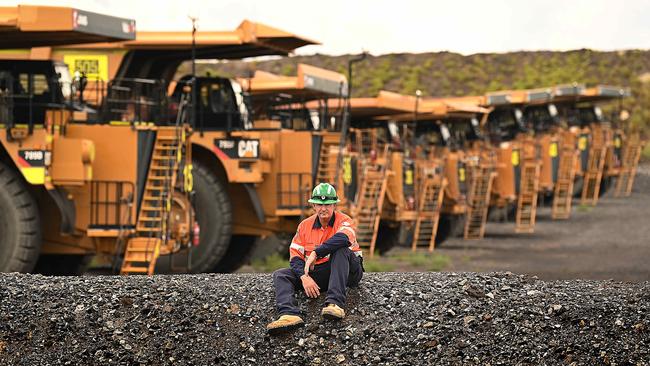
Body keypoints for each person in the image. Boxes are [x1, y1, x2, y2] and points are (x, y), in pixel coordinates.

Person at [266, 183, 364, 335]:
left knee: (340, 250)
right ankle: (289, 314)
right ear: (313, 205)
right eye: (319, 204)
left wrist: (315, 253)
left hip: (349, 271)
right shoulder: (304, 226)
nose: (323, 208)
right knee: (281, 274)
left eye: (328, 204)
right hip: (323, 272)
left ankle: (335, 304)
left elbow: (344, 238)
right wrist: (304, 277)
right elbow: (295, 256)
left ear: (334, 205)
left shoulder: (345, 220)